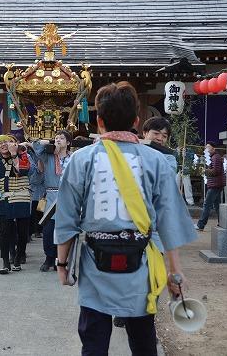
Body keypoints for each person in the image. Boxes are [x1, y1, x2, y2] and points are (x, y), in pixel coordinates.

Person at [54, 82, 197, 356]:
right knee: (143, 338)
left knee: (93, 340)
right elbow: (169, 222)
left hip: (95, 262)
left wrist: (62, 264)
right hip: (140, 263)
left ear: (98, 121)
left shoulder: (80, 160)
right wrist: (174, 272)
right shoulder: (156, 161)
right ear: (136, 121)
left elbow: (67, 218)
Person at [0, 135, 33, 274]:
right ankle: (5, 262)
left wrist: (14, 154)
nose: (3, 145)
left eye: (6, 142)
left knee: (23, 232)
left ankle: (18, 257)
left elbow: (23, 170)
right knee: (4, 231)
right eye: (0, 144)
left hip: (22, 197)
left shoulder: (22, 156)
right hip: (5, 198)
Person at [31, 130, 72, 272]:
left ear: (68, 142)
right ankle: (49, 258)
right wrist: (49, 142)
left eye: (62, 138)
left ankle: (61, 259)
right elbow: (35, 145)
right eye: (56, 138)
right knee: (48, 230)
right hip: (51, 196)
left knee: (64, 230)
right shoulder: (48, 157)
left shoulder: (73, 157)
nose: (59, 140)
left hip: (68, 198)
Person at [195, 142, 226, 231]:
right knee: (217, 206)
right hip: (216, 184)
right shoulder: (214, 157)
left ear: (213, 149)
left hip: (215, 184)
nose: (206, 149)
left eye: (208, 147)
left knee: (207, 204)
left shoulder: (215, 157)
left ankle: (201, 225)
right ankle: (222, 222)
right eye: (206, 148)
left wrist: (205, 170)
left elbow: (216, 171)